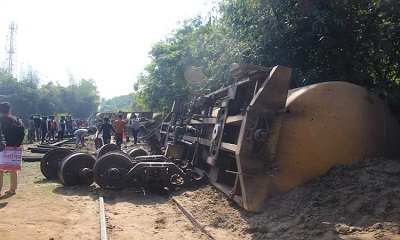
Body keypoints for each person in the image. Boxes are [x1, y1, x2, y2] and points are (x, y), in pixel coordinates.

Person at [0, 102, 24, 195]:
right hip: (14, 148)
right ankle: (13, 189)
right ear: (10, 110)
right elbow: (22, 131)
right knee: (13, 168)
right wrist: (17, 144)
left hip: (2, 147)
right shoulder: (16, 120)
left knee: (0, 170)